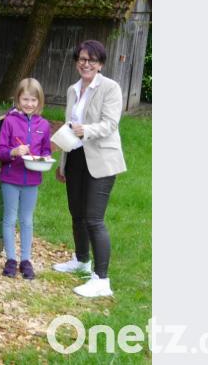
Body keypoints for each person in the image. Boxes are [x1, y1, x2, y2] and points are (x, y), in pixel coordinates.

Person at [53, 40, 127, 298]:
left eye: (92, 60)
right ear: (77, 62)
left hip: (102, 160)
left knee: (94, 219)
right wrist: (63, 163)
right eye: (82, 59)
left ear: (100, 64)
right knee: (77, 213)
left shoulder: (111, 88)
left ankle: (101, 280)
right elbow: (68, 126)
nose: (86, 64)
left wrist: (87, 130)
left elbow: (110, 124)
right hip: (75, 157)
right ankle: (81, 260)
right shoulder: (73, 89)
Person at [0, 78, 51, 280]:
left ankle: (26, 260)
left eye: (33, 100)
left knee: (26, 220)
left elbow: (46, 150)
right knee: (10, 218)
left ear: (39, 101)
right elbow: (0, 152)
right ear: (18, 99)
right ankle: (11, 259)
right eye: (25, 99)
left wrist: (43, 158)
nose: (29, 104)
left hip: (32, 180)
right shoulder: (9, 121)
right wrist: (14, 151)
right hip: (11, 178)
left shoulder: (43, 125)